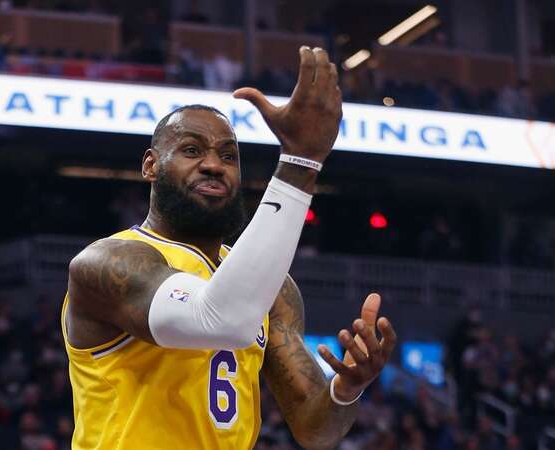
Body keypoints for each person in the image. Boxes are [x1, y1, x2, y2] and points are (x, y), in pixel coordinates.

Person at [62, 46, 397, 449]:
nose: (213, 164)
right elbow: (221, 321)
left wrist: (348, 388)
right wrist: (301, 161)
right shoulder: (107, 263)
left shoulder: (274, 288)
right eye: (191, 150)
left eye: (228, 155)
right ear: (150, 165)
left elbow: (315, 430)